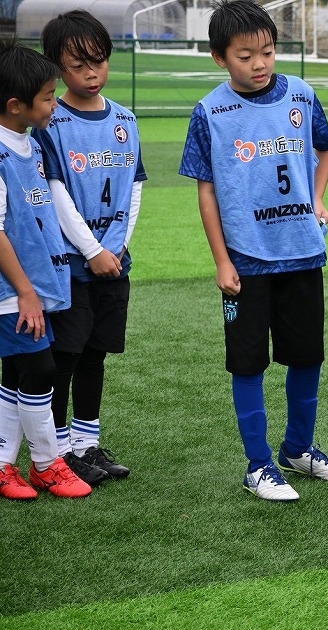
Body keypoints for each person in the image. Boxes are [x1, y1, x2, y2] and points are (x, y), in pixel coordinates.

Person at [178, 0, 328, 502]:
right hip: (246, 260)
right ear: (219, 57)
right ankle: (258, 466)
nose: (259, 64)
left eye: (268, 52)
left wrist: (316, 198)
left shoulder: (300, 94)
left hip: (302, 251)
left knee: (307, 356)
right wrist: (221, 260)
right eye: (245, 56)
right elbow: (207, 191)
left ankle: (298, 449)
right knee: (248, 362)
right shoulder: (210, 112)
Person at [32, 10, 145, 487]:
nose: (91, 73)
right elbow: (55, 193)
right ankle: (58, 452)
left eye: (98, 61)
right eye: (78, 66)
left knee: (96, 355)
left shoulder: (125, 119)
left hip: (114, 263)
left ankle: (86, 444)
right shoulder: (50, 122)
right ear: (58, 69)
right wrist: (93, 249)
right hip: (71, 267)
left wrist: (117, 248)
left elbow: (134, 186)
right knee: (67, 357)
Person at [0, 42, 92, 500]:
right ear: (16, 105)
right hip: (13, 292)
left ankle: (2, 465)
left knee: (16, 373)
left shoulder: (31, 144)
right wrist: (25, 292)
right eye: (49, 97)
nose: (55, 104)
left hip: (33, 286)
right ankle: (46, 464)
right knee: (40, 369)